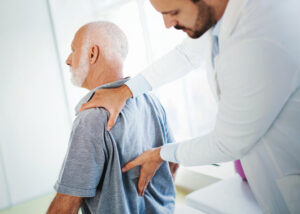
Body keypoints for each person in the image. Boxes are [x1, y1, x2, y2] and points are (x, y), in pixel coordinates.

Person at [80, 0, 300, 213]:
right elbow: (186, 55)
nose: (167, 24)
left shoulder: (257, 34)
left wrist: (162, 154)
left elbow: (227, 143)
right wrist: (126, 90)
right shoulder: (224, 17)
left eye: (173, 12)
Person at [47, 21, 178, 214]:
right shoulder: (151, 100)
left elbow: (66, 206)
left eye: (73, 51)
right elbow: (173, 163)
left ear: (92, 54)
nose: (68, 60)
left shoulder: (91, 118)